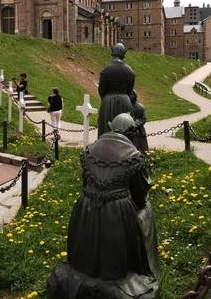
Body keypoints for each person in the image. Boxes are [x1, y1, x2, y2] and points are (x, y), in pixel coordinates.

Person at [47, 113, 160, 299]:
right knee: (143, 213)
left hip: (85, 209)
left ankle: (83, 268)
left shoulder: (89, 151)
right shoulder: (135, 157)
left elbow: (85, 184)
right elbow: (140, 197)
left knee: (84, 261)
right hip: (117, 214)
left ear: (110, 128)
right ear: (131, 134)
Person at [97, 43, 135, 137]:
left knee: (106, 128)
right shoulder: (130, 71)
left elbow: (101, 90)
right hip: (125, 100)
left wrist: (106, 99)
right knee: (125, 128)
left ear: (113, 54)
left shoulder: (106, 70)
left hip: (108, 101)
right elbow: (130, 90)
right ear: (123, 55)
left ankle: (105, 148)